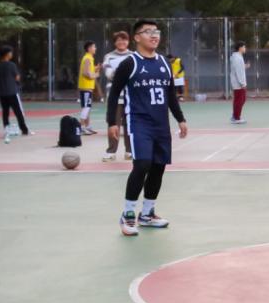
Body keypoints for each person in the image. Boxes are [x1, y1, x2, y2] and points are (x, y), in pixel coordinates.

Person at [107, 19, 188, 237]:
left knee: (158, 166)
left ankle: (147, 213)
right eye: (148, 31)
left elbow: (170, 94)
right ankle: (128, 214)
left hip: (161, 124)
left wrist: (180, 118)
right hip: (139, 122)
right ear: (137, 37)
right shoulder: (130, 63)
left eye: (156, 31)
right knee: (142, 164)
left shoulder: (164, 62)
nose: (154, 35)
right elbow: (114, 94)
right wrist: (112, 122)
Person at [102, 31, 134, 161]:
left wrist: (122, 72)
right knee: (113, 123)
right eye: (119, 40)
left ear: (128, 41)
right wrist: (124, 72)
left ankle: (130, 151)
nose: (122, 42)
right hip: (115, 96)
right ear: (115, 42)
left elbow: (135, 74)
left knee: (130, 124)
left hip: (131, 96)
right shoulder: (108, 57)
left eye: (124, 40)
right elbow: (109, 74)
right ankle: (111, 152)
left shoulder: (134, 56)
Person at [0, 46, 30, 138]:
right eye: (10, 52)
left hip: (2, 92)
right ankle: (24, 129)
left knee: (5, 112)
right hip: (12, 92)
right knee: (18, 111)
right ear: (7, 54)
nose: (11, 54)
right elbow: (17, 77)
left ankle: (7, 129)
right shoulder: (11, 65)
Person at [78, 41, 100, 135]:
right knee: (86, 108)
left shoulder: (89, 58)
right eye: (94, 47)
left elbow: (89, 70)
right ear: (89, 48)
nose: (95, 48)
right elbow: (85, 72)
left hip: (87, 87)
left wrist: (95, 69)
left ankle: (87, 126)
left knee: (87, 108)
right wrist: (95, 75)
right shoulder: (87, 58)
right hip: (85, 87)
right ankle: (81, 127)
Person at [229, 41, 248, 125]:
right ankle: (236, 118)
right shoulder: (237, 58)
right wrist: (242, 83)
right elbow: (238, 71)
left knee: (240, 99)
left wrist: (245, 66)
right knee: (240, 100)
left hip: (238, 83)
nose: (245, 48)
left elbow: (239, 68)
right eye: (244, 47)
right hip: (238, 83)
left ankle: (235, 116)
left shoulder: (238, 57)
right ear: (240, 48)